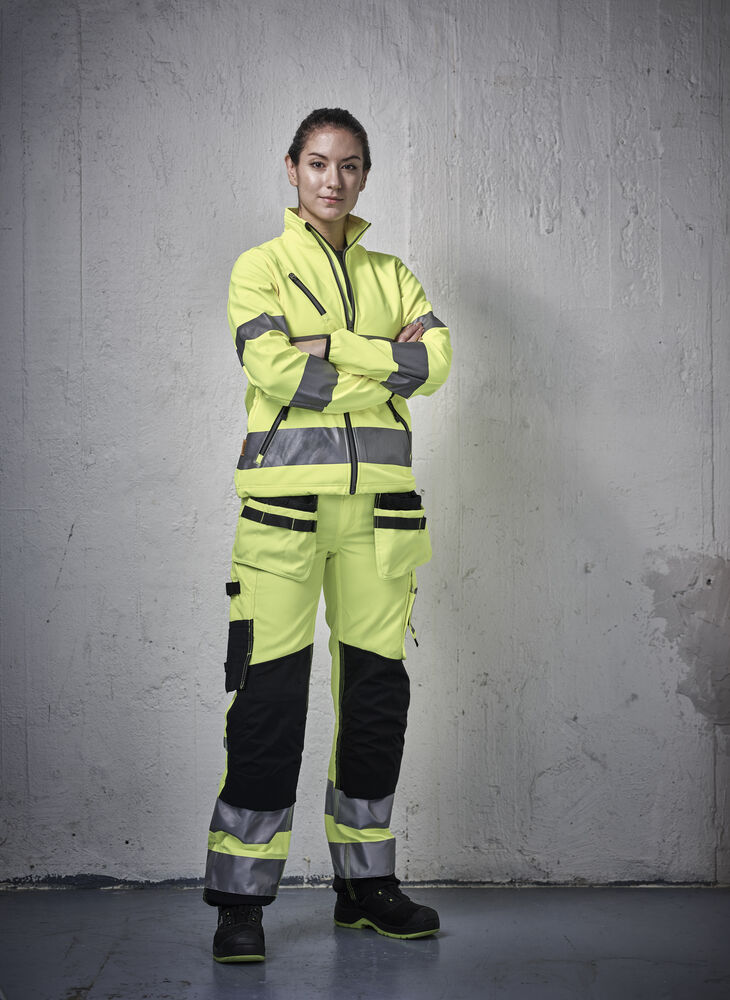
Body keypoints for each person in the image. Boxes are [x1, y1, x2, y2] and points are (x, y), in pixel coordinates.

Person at [203, 108, 452, 963]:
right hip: (282, 519)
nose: (332, 180)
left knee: (377, 700)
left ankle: (365, 887)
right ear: (292, 168)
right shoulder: (259, 268)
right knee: (269, 702)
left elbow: (435, 363)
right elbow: (276, 370)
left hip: (381, 520)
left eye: (348, 165)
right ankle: (241, 902)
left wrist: (334, 347)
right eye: (317, 163)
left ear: (365, 175)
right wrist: (381, 357)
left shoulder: (394, 273)